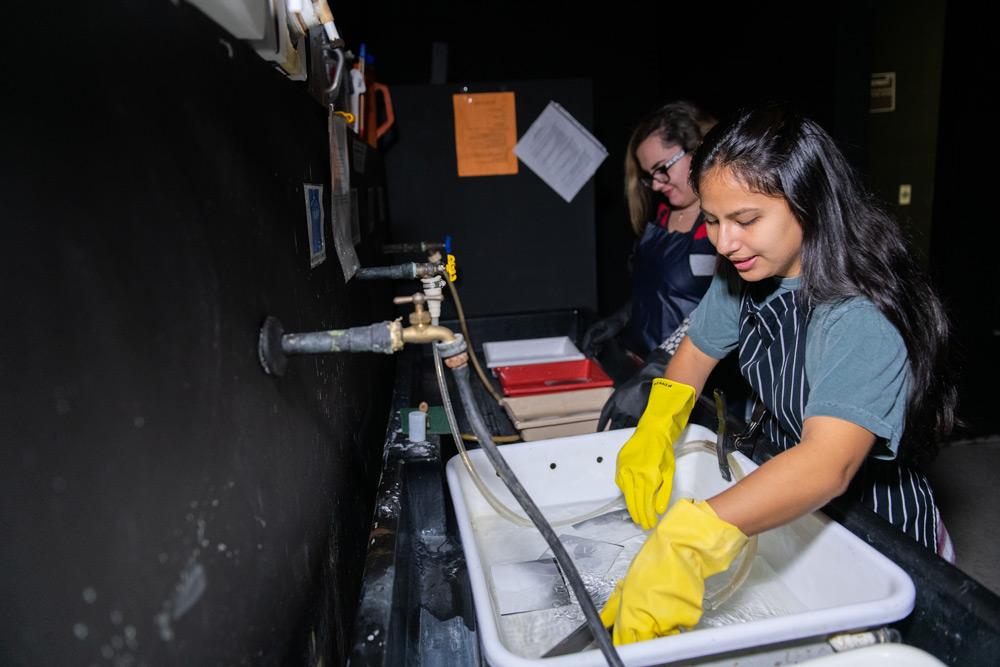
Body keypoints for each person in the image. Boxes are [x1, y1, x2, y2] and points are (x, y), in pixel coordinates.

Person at [600, 104, 958, 645]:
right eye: (714, 220)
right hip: (794, 506)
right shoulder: (745, 273)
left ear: (809, 205)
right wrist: (657, 426)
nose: (723, 243)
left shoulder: (860, 315)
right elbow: (697, 351)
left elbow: (825, 464)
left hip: (880, 533)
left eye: (745, 221)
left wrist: (691, 538)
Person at [581, 102, 719, 427]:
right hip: (644, 374)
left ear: (697, 150)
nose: (656, 184)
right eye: (649, 176)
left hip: (702, 388)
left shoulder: (721, 225)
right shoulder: (662, 215)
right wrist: (622, 317)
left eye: (662, 168)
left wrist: (660, 368)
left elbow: (717, 310)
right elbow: (660, 288)